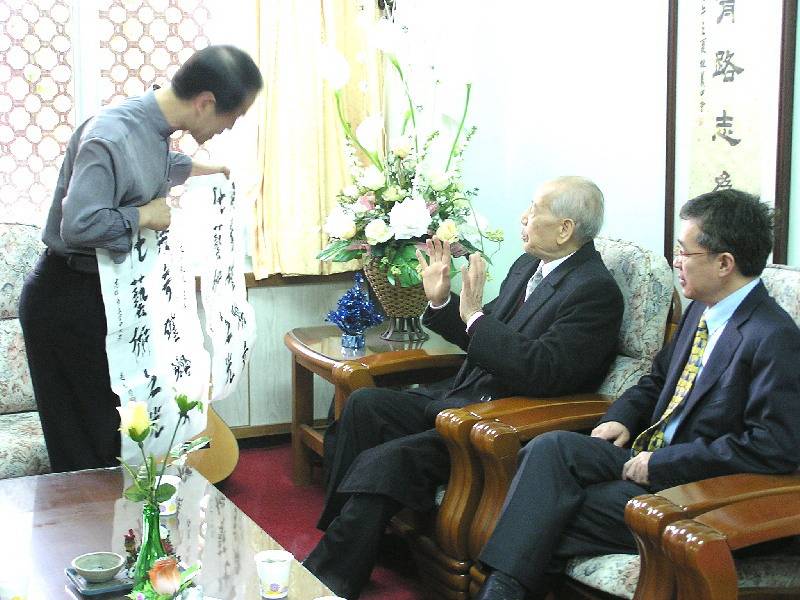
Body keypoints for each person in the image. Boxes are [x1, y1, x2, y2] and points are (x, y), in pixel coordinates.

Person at [304, 176, 625, 599]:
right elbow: (483, 333)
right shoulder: (528, 266)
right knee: (364, 405)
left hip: (499, 422)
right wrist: (441, 300)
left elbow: (543, 370)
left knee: (392, 458)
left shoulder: (594, 291)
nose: (523, 218)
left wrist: (474, 316)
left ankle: (331, 576)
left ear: (565, 229)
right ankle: (355, 543)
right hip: (462, 396)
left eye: (534, 210)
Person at [474, 189, 800, 600]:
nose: (676, 262)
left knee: (545, 509)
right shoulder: (703, 309)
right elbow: (656, 379)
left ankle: (499, 592)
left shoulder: (773, 337)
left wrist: (663, 464)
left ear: (724, 263)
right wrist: (621, 416)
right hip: (649, 457)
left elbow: (773, 447)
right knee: (550, 449)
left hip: (705, 492)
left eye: (684, 252)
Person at [19, 45, 263, 473]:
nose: (230, 127)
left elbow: (155, 163)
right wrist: (144, 216)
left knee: (122, 431)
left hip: (107, 294)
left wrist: (206, 170)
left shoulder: (154, 129)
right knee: (85, 440)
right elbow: (78, 224)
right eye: (233, 116)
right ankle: (87, 517)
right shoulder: (111, 134)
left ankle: (123, 513)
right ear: (205, 102)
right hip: (68, 301)